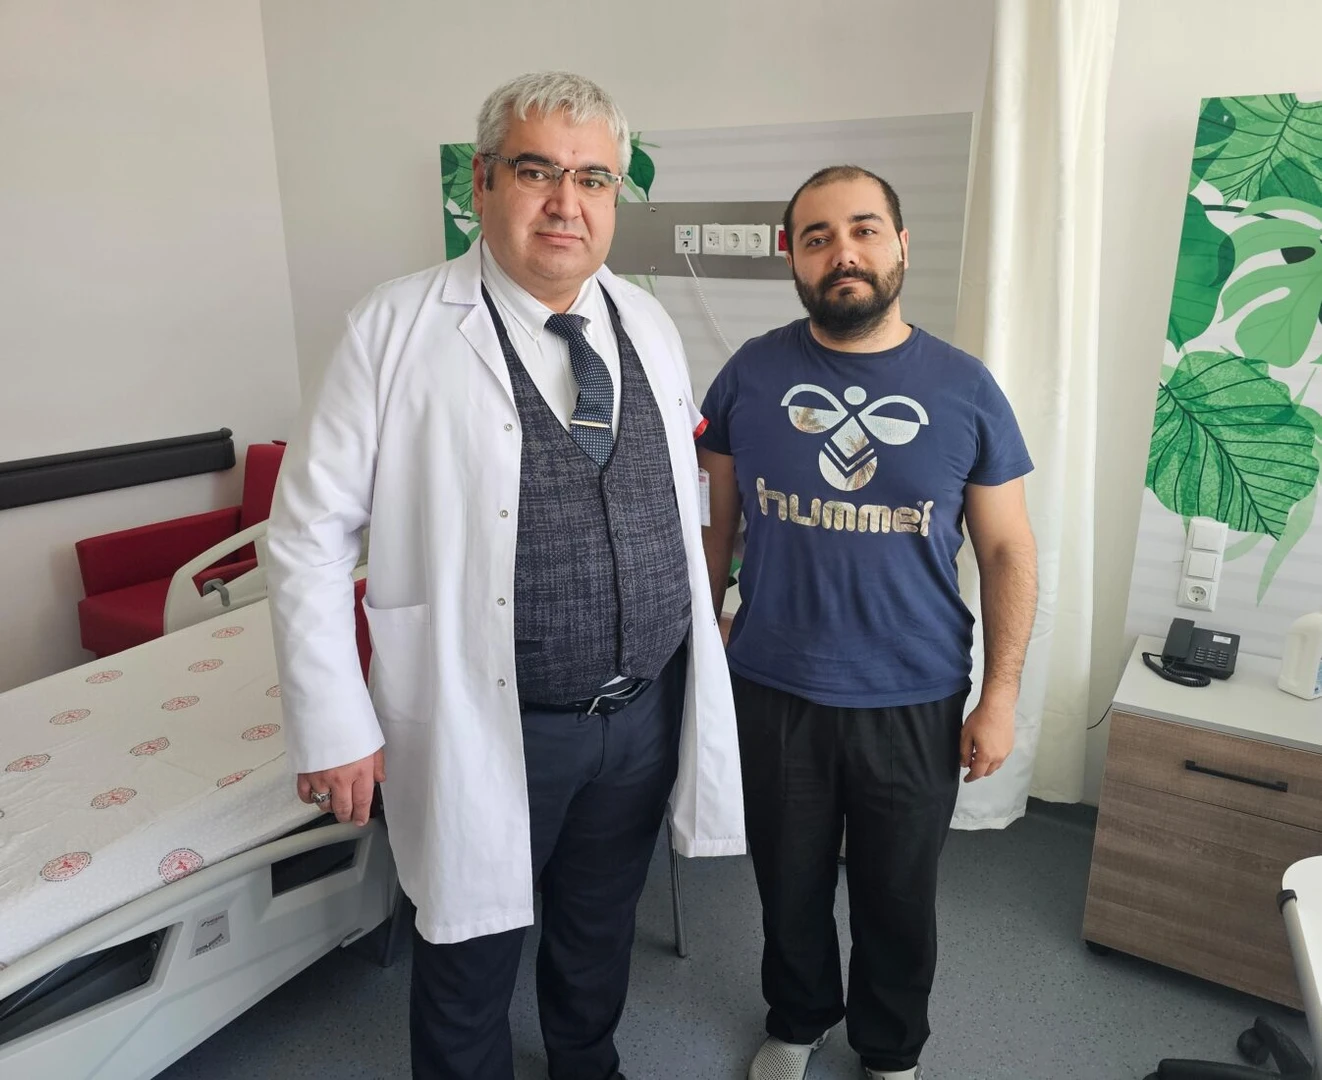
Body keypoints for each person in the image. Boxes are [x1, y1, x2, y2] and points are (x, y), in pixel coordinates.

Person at [265, 71, 743, 1080]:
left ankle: (586, 1063)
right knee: (467, 948)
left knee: (596, 926)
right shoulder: (391, 329)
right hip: (494, 719)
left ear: (615, 197)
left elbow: (671, 499)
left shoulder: (646, 328)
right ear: (483, 183)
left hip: (639, 713)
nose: (566, 203)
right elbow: (307, 536)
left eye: (594, 179)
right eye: (536, 172)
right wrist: (335, 722)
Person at [698, 165, 1038, 1080]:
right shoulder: (748, 376)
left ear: (899, 244)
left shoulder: (966, 389)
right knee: (789, 880)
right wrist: (713, 623)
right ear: (793, 258)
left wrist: (999, 696)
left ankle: (891, 1048)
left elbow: (1007, 552)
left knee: (898, 893)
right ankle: (799, 1017)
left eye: (862, 230)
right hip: (774, 685)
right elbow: (719, 525)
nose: (841, 253)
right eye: (816, 237)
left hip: (914, 690)